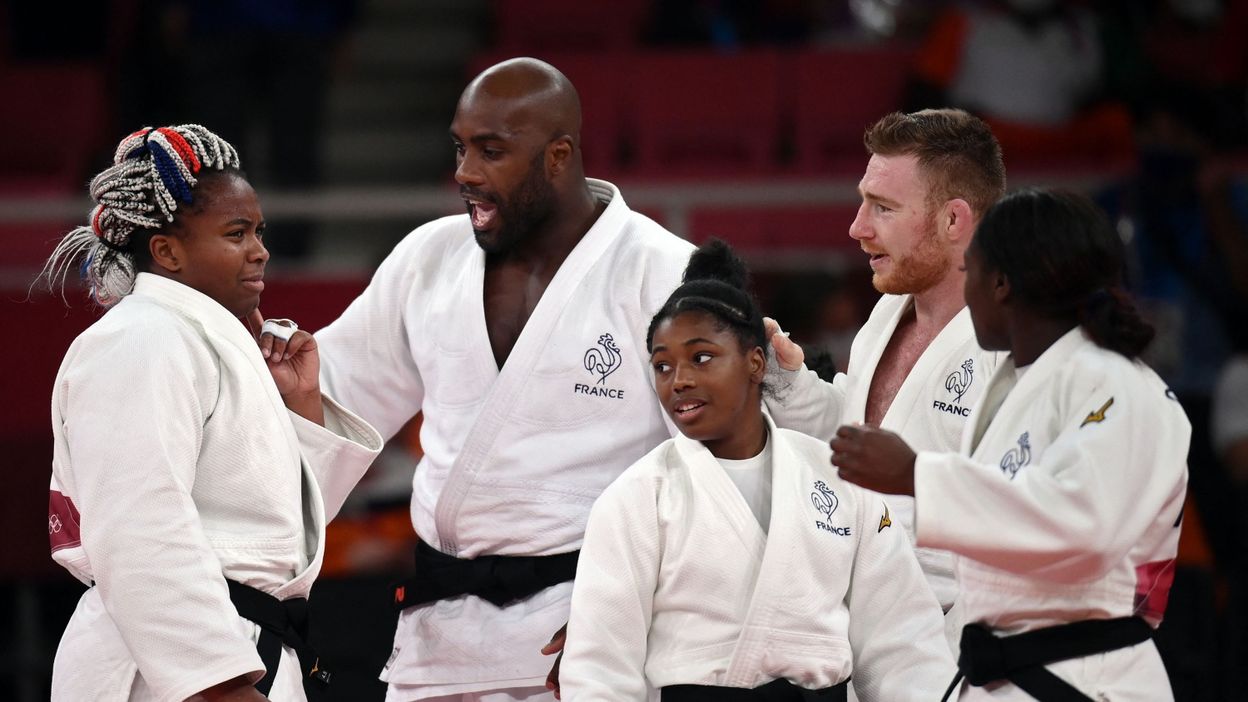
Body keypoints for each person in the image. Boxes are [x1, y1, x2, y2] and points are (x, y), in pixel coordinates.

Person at [293, 58, 694, 701]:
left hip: (588, 635)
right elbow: (335, 396)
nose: (465, 173)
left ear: (558, 156)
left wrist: (646, 615)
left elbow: (720, 467)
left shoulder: (666, 273)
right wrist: (271, 384)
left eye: (491, 151)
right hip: (437, 636)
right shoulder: (428, 258)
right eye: (460, 147)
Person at [43, 124, 383, 701]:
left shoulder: (204, 340)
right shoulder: (142, 337)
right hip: (174, 667)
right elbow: (139, 527)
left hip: (240, 642)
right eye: (236, 233)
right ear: (167, 251)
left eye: (258, 231)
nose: (260, 250)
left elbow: (278, 534)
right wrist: (219, 685)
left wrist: (298, 407)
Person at [829, 189, 1191, 701]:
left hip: (1086, 676)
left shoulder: (1119, 387)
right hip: (1000, 672)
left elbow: (1086, 527)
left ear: (1000, 284)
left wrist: (918, 476)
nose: (965, 291)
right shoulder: (1018, 384)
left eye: (969, 272)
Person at [558, 240, 953, 701]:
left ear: (756, 361)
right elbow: (599, 669)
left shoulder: (839, 480)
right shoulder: (637, 497)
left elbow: (903, 645)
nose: (679, 379)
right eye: (662, 365)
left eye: (701, 357)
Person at [768, 108, 1007, 613]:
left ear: (953, 219)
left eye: (883, 208)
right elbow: (863, 444)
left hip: (960, 634)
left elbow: (1030, 513)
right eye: (864, 204)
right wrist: (788, 382)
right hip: (864, 619)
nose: (857, 228)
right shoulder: (886, 312)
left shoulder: (1014, 345)